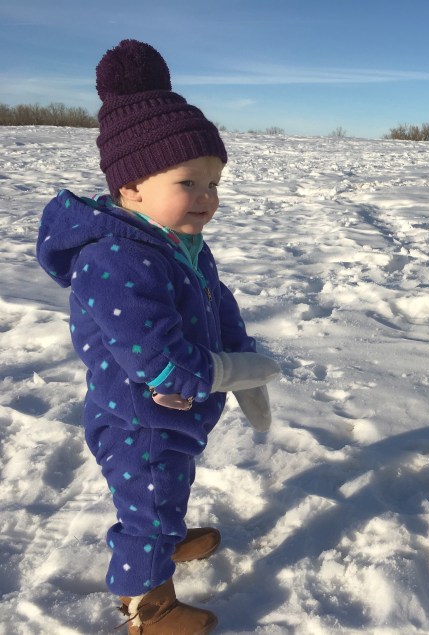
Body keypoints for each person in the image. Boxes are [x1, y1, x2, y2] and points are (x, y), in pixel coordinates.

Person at [36, 39, 280, 634]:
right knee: (147, 509)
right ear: (131, 188)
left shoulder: (182, 244)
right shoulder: (116, 259)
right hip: (137, 417)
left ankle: (165, 538)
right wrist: (221, 373)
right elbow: (154, 358)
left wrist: (239, 350)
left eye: (214, 183)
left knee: (168, 486)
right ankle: (146, 603)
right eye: (188, 182)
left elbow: (217, 304)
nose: (206, 199)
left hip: (174, 415)